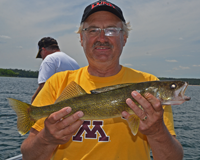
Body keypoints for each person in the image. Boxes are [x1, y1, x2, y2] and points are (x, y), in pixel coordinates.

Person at [21, 1, 183, 160]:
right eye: (93, 30)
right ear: (81, 38)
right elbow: (29, 156)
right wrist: (47, 139)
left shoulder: (149, 82)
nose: (102, 37)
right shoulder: (57, 82)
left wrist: (157, 132)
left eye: (112, 30)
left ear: (124, 38)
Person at [31, 37, 80, 103]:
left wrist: (33, 99)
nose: (42, 58)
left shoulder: (49, 59)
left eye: (40, 55)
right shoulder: (73, 61)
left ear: (43, 50)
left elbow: (44, 86)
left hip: (58, 105)